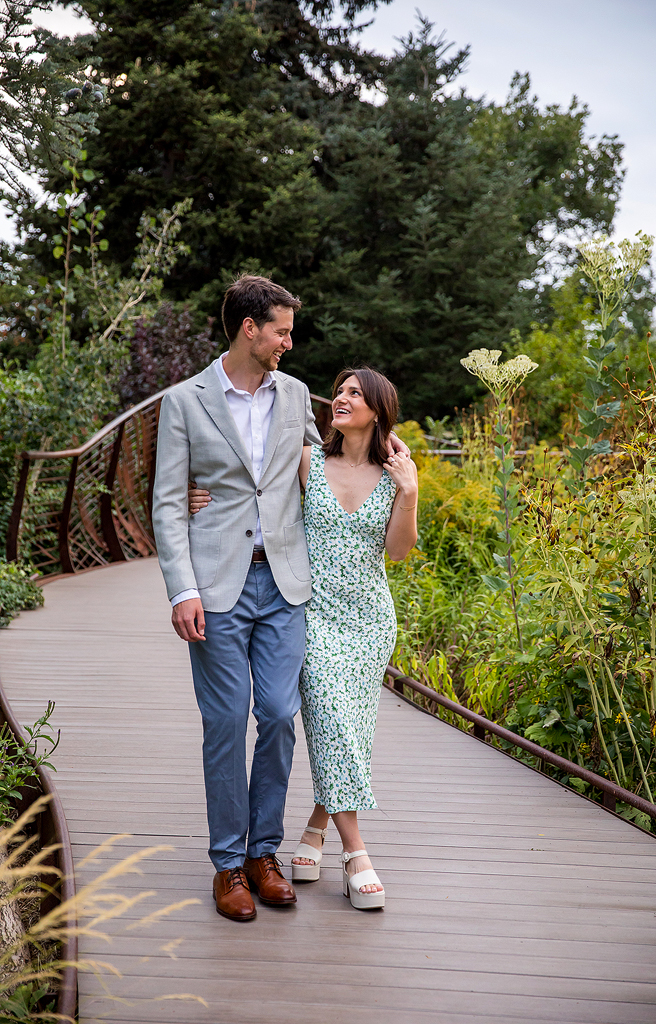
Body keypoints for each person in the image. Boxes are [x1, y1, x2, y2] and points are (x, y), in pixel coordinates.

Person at [152, 275, 408, 923]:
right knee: (225, 719)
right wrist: (182, 585)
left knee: (275, 711)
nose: (290, 343)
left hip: (288, 583)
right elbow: (167, 500)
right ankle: (228, 865)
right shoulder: (184, 401)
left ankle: (265, 852)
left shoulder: (294, 395)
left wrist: (394, 462)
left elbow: (325, 462)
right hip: (215, 585)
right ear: (249, 328)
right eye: (282, 331)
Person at [190, 366, 418, 911]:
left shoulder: (395, 476)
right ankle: (356, 853)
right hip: (309, 613)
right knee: (331, 717)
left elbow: (400, 551)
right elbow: (251, 478)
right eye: (339, 391)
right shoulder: (307, 459)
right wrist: (199, 493)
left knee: (351, 725)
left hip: (369, 619)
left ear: (378, 411)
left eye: (355, 394)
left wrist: (410, 492)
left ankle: (313, 831)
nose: (341, 398)